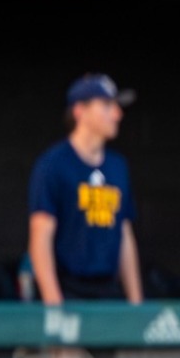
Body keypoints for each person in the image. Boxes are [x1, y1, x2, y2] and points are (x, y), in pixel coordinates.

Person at [27, 74, 143, 303]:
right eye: (107, 105)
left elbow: (125, 234)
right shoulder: (53, 164)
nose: (117, 114)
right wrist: (54, 304)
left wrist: (135, 303)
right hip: (68, 289)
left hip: (108, 291)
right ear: (80, 111)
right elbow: (40, 236)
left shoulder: (117, 166)